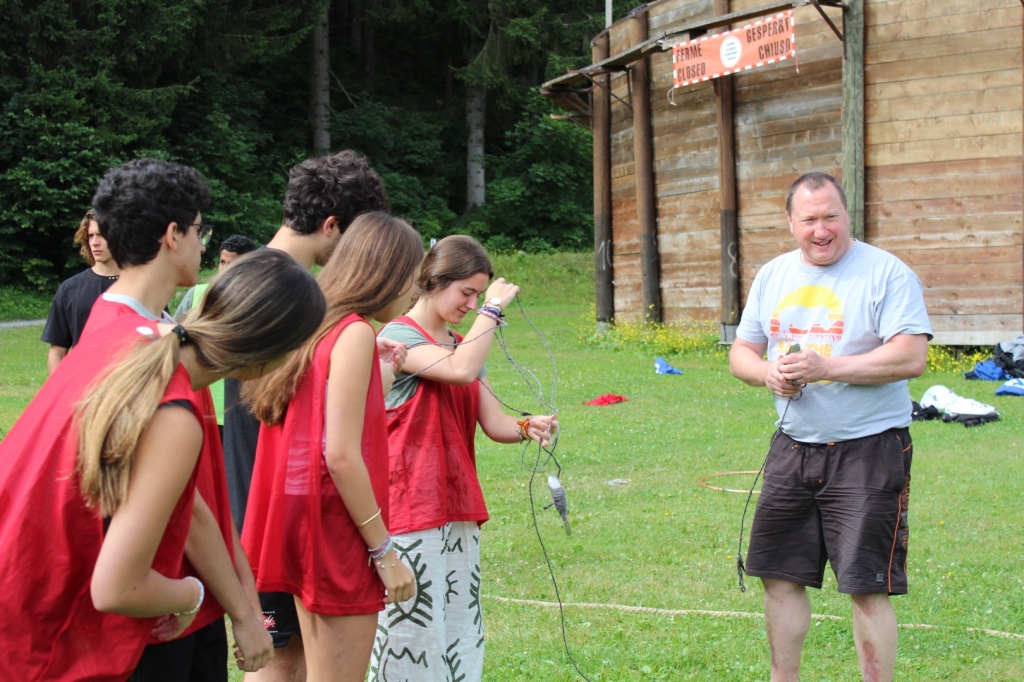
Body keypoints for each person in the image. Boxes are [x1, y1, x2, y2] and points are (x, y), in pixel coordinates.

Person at [0, 248, 325, 681]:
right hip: (39, 633)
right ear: (272, 351)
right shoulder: (173, 414)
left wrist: (245, 611)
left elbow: (192, 508)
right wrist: (191, 594)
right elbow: (117, 587)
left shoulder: (143, 342)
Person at [728, 172, 931, 682]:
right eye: (810, 219)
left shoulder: (887, 273)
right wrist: (769, 373)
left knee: (866, 586)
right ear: (791, 223)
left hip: (869, 449)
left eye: (830, 217)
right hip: (793, 447)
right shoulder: (773, 275)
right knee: (778, 577)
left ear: (848, 215)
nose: (821, 230)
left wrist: (827, 368)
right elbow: (742, 353)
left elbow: (911, 357)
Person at [82, 158, 273, 682]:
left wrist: (240, 603)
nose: (202, 243)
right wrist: (215, 599)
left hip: (176, 609)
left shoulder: (151, 333)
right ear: (173, 235)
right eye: (198, 229)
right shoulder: (142, 354)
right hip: (152, 623)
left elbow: (189, 500)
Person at [219, 150, 391, 682]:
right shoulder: (281, 286)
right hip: (270, 505)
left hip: (271, 503)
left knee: (289, 656)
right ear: (332, 225)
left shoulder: (255, 274)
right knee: (278, 660)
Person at [241, 212, 421, 681]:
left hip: (293, 519)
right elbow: (339, 454)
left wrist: (378, 375)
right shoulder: (356, 332)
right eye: (410, 277)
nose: (413, 293)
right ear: (384, 272)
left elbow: (313, 419)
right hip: (336, 531)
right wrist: (384, 552)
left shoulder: (313, 322)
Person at [370, 235, 558, 682]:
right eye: (466, 293)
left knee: (457, 635)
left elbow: (494, 423)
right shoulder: (395, 337)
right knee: (409, 640)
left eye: (479, 295)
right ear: (433, 282)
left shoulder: (462, 341)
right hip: (408, 509)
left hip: (457, 510)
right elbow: (459, 370)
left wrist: (525, 427)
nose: (472, 305)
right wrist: (492, 312)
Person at [175, 234, 258, 434]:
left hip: (240, 407)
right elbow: (173, 337)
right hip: (198, 400)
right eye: (222, 262)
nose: (225, 269)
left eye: (233, 264)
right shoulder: (197, 294)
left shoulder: (256, 302)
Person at [41, 209, 121, 374]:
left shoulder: (142, 287)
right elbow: (57, 352)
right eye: (90, 236)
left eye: (101, 235)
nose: (94, 242)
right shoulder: (70, 289)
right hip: (82, 391)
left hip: (128, 391)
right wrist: (60, 394)